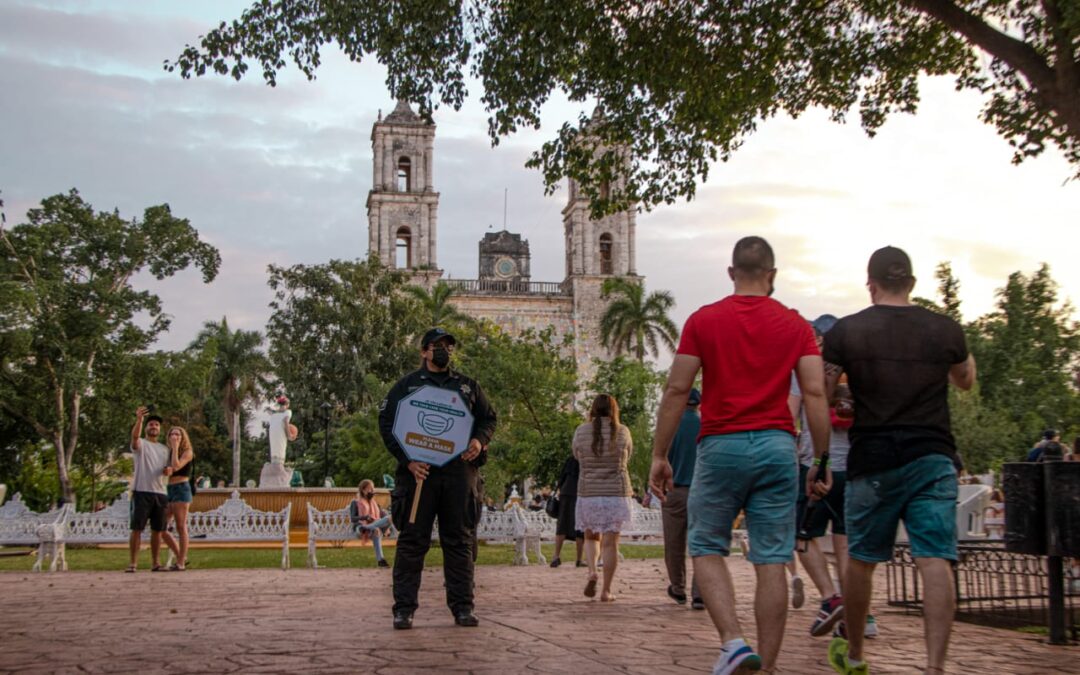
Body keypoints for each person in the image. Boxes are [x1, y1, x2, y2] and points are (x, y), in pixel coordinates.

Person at [649, 236, 832, 675]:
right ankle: (766, 667)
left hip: (721, 446)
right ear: (772, 276)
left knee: (706, 545)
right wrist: (821, 459)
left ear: (732, 273)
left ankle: (733, 641)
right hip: (776, 447)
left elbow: (677, 389)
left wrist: (659, 454)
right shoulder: (796, 326)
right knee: (771, 557)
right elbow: (813, 392)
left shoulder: (704, 320)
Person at [821, 246, 976, 675]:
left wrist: (846, 404)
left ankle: (854, 656)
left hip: (874, 458)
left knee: (862, 560)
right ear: (911, 283)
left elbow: (825, 390)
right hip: (933, 455)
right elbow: (965, 380)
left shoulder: (847, 332)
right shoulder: (945, 329)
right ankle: (934, 667)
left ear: (871, 285)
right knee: (934, 558)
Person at [379, 327, 497, 630]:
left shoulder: (468, 387)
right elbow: (387, 423)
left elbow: (488, 418)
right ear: (423, 351)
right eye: (437, 345)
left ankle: (462, 608)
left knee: (458, 542)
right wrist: (408, 461)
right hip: (420, 475)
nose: (444, 350)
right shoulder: (406, 386)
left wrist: (479, 441)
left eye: (448, 346)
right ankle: (403, 609)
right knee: (411, 542)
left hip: (459, 473)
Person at [574, 394, 634, 602]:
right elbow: (629, 456)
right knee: (611, 544)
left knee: (591, 537)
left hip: (589, 493)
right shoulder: (623, 432)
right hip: (615, 494)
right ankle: (606, 590)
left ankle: (592, 570)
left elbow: (576, 455)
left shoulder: (581, 431)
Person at [661, 387, 704, 610]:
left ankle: (678, 588)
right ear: (698, 404)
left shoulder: (671, 427)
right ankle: (700, 593)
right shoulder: (705, 425)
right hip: (702, 491)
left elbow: (661, 458)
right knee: (701, 543)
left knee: (674, 544)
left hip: (674, 490)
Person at [127, 406, 172, 573]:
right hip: (141, 491)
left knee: (157, 530)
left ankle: (155, 562)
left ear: (160, 430)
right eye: (151, 424)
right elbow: (134, 437)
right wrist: (139, 419)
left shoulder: (164, 449)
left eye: (157, 425)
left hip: (160, 493)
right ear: (146, 428)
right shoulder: (141, 445)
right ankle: (133, 563)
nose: (154, 427)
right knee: (137, 528)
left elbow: (168, 468)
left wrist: (168, 470)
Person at [161, 426, 195, 571]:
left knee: (181, 526)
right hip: (169, 489)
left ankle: (180, 563)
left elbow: (177, 465)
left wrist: (175, 448)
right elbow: (167, 469)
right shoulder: (166, 453)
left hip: (182, 488)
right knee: (161, 526)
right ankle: (181, 555)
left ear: (183, 437)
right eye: (172, 434)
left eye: (178, 434)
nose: (175, 436)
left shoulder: (188, 452)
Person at [551, 455, 584, 568]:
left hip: (565, 494)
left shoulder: (569, 459)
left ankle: (556, 557)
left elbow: (561, 478)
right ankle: (579, 559)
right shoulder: (585, 459)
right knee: (579, 528)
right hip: (579, 494)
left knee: (562, 526)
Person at [350, 479, 393, 568]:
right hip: (359, 529)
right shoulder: (355, 502)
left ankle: (368, 527)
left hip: (372, 529)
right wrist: (365, 517)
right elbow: (353, 518)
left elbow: (383, 516)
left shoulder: (374, 503)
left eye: (373, 489)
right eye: (370, 489)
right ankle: (381, 560)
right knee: (376, 529)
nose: (372, 491)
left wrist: (385, 515)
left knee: (388, 519)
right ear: (363, 490)